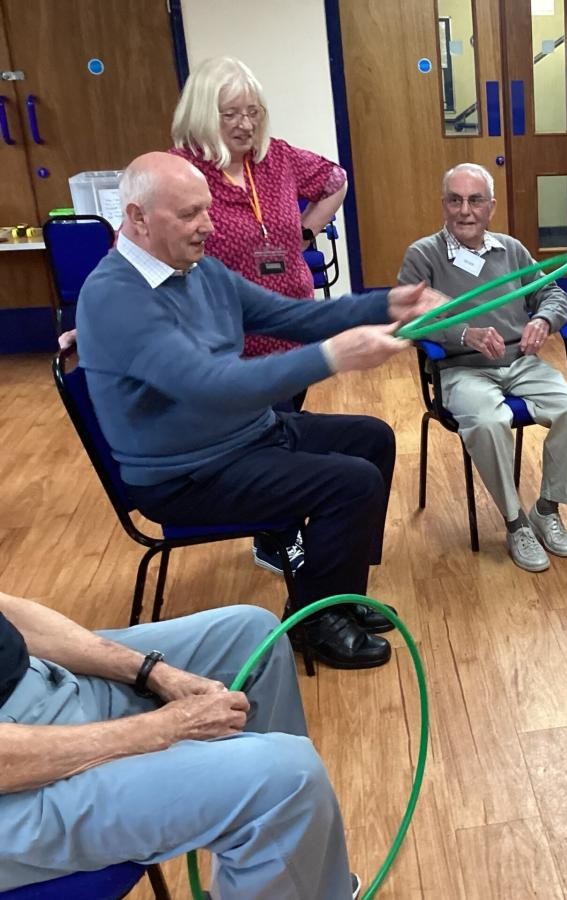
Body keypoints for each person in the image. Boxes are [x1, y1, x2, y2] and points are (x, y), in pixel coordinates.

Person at [76, 152, 443, 669]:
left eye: (206, 209)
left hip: (245, 437)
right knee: (352, 482)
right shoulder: (114, 298)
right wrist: (333, 356)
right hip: (186, 474)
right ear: (137, 218)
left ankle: (338, 593)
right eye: (189, 214)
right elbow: (212, 386)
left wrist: (386, 304)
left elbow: (291, 316)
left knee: (373, 439)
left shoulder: (200, 271)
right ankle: (315, 621)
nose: (208, 225)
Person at [0, 591, 359, 899]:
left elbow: (8, 612)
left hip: (42, 684)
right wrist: (164, 728)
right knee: (285, 781)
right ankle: (286, 851)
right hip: (15, 781)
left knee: (252, 634)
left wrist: (152, 671)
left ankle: (292, 874)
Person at [171, 56, 350, 574]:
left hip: (289, 330)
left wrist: (306, 231)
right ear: (202, 113)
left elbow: (335, 179)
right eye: (231, 113)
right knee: (259, 443)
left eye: (253, 112)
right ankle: (276, 532)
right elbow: (133, 249)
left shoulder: (276, 159)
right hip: (228, 342)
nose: (246, 124)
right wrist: (97, 318)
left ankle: (279, 529)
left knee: (283, 431)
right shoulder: (180, 172)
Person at [398, 163, 567, 573]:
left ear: (491, 207)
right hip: (461, 369)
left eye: (475, 200)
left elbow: (553, 293)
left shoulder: (511, 249)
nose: (465, 210)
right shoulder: (423, 255)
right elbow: (409, 320)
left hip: (519, 363)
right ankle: (516, 522)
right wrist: (464, 334)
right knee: (487, 421)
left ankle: (546, 509)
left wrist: (543, 320)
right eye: (455, 200)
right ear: (444, 204)